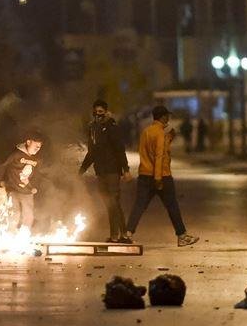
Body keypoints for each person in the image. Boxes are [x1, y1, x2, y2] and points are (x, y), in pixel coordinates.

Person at [124, 105, 199, 247]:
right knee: (172, 206)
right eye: (167, 116)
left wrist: (169, 138)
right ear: (163, 117)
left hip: (144, 175)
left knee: (139, 205)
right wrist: (158, 178)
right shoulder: (159, 133)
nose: (169, 118)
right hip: (162, 176)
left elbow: (149, 151)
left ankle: (128, 233)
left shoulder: (146, 131)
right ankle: (182, 236)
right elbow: (159, 156)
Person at [79, 100, 133, 243]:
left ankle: (120, 235)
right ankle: (119, 234)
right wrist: (81, 170)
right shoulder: (92, 128)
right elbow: (91, 153)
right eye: (96, 112)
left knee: (113, 202)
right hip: (101, 172)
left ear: (106, 112)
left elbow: (120, 149)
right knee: (110, 203)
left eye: (101, 112)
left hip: (113, 171)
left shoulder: (112, 127)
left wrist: (126, 169)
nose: (98, 115)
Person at [0, 129, 43, 231]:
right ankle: (10, 235)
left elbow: (37, 175)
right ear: (28, 142)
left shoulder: (37, 159)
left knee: (28, 215)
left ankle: (24, 235)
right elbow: (3, 166)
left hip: (27, 192)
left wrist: (34, 187)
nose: (37, 149)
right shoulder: (16, 154)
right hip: (13, 189)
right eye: (36, 146)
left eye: (39, 147)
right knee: (14, 213)